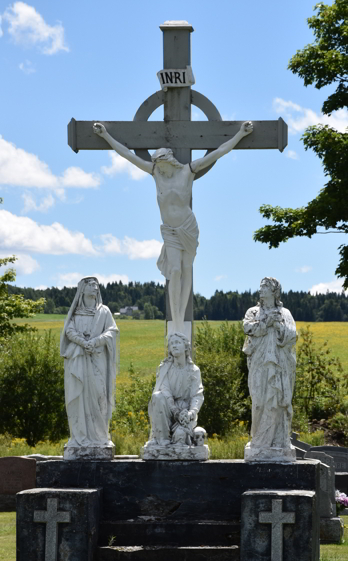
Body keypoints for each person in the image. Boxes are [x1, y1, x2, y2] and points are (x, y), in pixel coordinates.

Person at [93, 120, 253, 334]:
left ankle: (181, 318)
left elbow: (219, 152)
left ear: (169, 161)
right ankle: (176, 319)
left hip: (188, 227)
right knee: (174, 270)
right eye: (157, 167)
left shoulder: (188, 171)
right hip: (169, 229)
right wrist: (105, 136)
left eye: (162, 166)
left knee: (187, 270)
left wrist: (240, 135)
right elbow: (127, 155)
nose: (160, 170)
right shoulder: (156, 174)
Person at [60, 277, 119, 455]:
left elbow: (112, 331)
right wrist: (83, 342)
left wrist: (95, 342)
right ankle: (79, 436)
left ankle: (100, 437)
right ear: (82, 289)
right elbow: (68, 331)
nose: (95, 288)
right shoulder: (76, 313)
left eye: (97, 285)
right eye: (91, 285)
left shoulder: (104, 311)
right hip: (78, 360)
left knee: (99, 396)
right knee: (79, 398)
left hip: (97, 360)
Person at [243, 277, 296, 459]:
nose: (261, 289)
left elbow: (291, 335)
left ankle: (279, 441)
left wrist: (278, 325)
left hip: (279, 364)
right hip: (259, 362)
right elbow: (247, 328)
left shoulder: (284, 313)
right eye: (261, 286)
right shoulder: (253, 312)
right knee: (258, 401)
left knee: (278, 401)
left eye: (265, 286)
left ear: (274, 291)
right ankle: (258, 440)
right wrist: (266, 322)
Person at [146, 332, 204, 447]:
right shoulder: (165, 368)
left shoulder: (194, 370)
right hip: (168, 409)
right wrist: (175, 411)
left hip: (185, 412)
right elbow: (165, 392)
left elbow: (197, 395)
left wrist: (191, 413)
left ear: (186, 347)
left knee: (180, 438)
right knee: (157, 396)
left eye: (177, 343)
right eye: (171, 343)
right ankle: (162, 439)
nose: (174, 345)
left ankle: (180, 435)